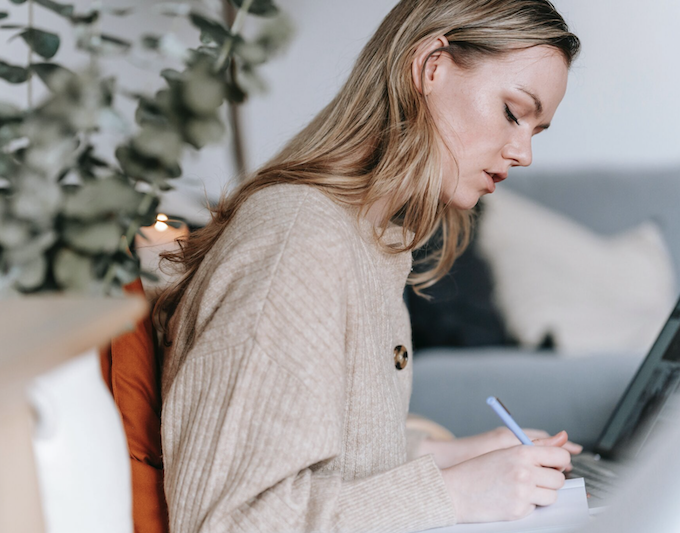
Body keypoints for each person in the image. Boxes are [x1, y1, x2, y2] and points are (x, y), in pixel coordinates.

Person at [154, 0, 582, 531]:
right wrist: (456, 492)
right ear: (430, 66)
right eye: (514, 112)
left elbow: (332, 442)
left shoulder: (370, 239)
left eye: (536, 131)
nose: (523, 153)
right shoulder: (299, 241)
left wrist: (453, 455)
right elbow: (228, 518)